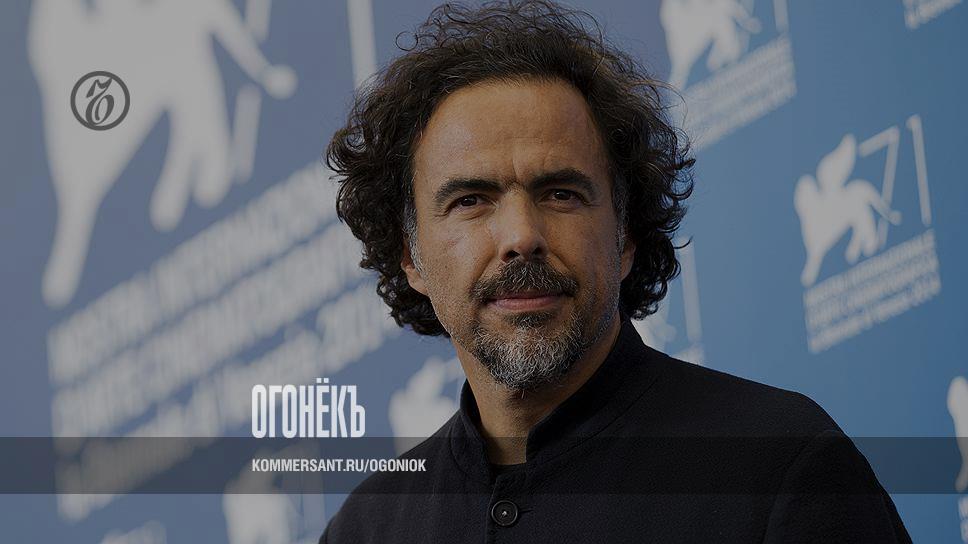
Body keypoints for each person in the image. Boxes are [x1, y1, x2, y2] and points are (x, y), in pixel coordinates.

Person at [320, 1, 911, 542]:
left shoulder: (780, 466)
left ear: (625, 234)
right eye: (471, 200)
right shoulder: (366, 530)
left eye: (561, 194)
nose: (521, 236)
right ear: (410, 256)